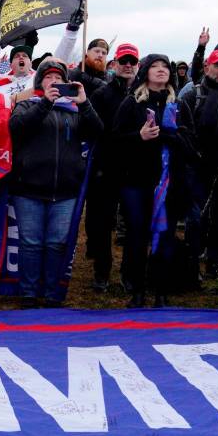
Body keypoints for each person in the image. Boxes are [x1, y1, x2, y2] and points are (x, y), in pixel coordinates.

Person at [8, 57, 103, 307]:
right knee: (30, 242)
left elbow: (97, 132)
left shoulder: (73, 109)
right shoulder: (27, 103)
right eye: (48, 78)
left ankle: (51, 293)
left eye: (58, 79)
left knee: (56, 243)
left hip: (66, 190)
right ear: (40, 81)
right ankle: (28, 293)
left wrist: (85, 104)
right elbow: (16, 129)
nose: (53, 82)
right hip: (28, 187)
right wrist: (44, 105)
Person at [113, 54, 198, 307]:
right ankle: (137, 291)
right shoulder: (132, 103)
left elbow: (192, 145)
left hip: (170, 182)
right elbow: (115, 141)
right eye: (155, 66)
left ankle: (161, 291)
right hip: (137, 182)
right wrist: (139, 136)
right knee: (138, 236)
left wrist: (173, 136)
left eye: (165, 67)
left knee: (165, 235)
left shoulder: (180, 105)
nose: (161, 70)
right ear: (146, 72)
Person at [180, 48, 218, 287]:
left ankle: (215, 262)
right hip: (196, 165)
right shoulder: (192, 94)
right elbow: (183, 129)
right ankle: (192, 264)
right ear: (207, 68)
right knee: (196, 218)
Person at [85, 42, 139, 292]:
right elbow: (93, 129)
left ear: (138, 66)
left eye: (132, 62)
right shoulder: (102, 94)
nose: (128, 66)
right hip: (105, 168)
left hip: (135, 170)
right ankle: (101, 272)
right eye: (124, 61)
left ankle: (130, 274)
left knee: (133, 225)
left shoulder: (145, 94)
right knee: (102, 223)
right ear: (114, 64)